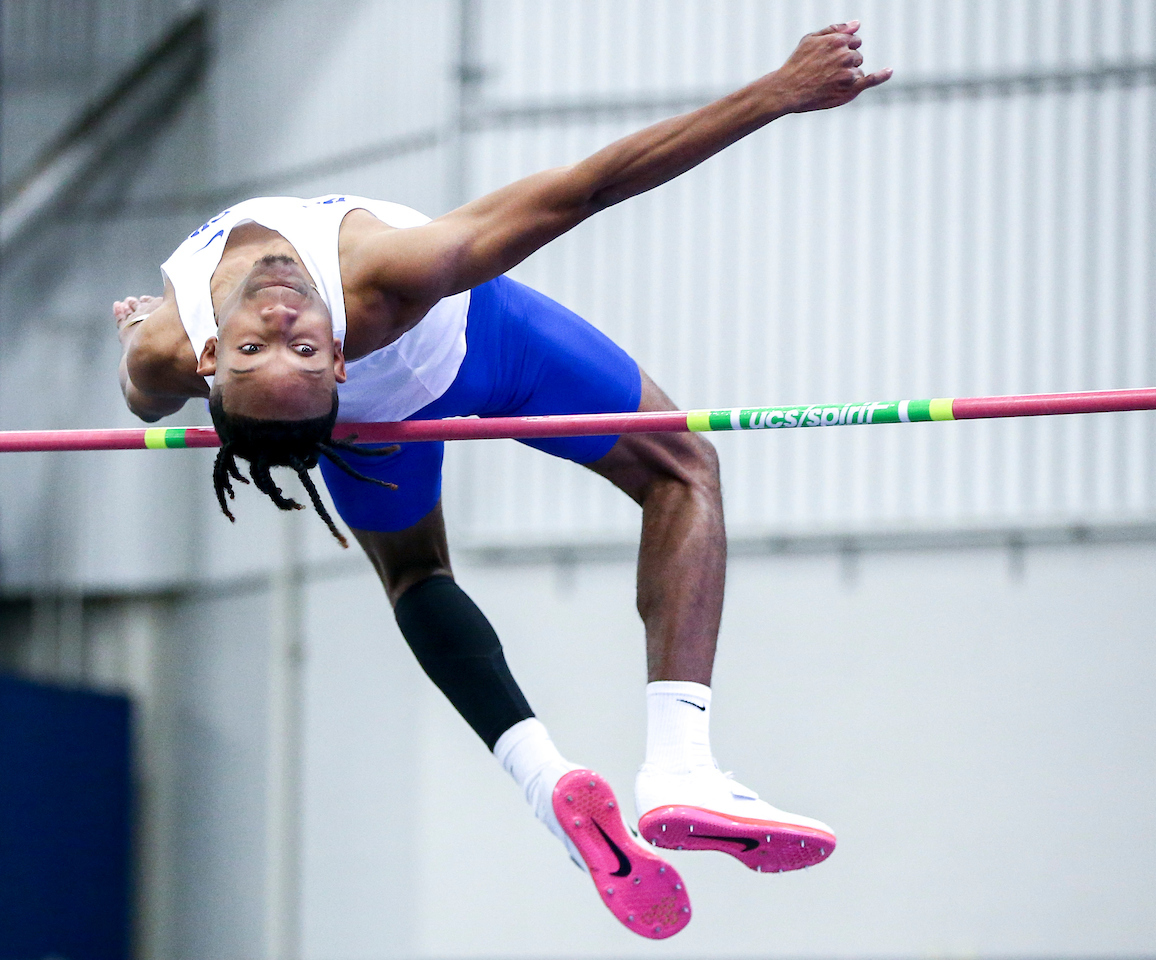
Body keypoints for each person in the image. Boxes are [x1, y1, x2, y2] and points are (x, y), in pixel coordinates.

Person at [113, 22, 889, 939]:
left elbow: (143, 401)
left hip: (402, 406)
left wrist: (136, 329)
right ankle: (669, 767)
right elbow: (587, 186)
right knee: (683, 466)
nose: (282, 315)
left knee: (415, 575)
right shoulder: (380, 278)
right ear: (339, 369)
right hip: (483, 352)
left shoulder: (173, 349)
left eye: (274, 342)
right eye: (288, 344)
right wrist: (776, 91)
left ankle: (565, 779)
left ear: (212, 357)